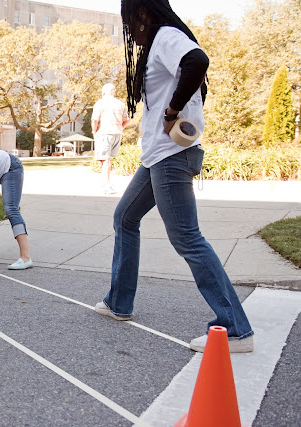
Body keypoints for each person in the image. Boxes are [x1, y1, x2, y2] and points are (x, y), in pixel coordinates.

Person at [95, 0, 254, 353]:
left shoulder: (166, 36)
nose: (129, 31)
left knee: (187, 238)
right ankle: (119, 303)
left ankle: (236, 329)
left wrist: (171, 111)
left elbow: (197, 61)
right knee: (125, 217)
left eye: (130, 21)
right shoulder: (157, 44)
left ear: (143, 13)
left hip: (171, 157)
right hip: (156, 157)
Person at [91, 83, 131, 194]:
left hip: (104, 133)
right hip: (117, 134)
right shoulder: (120, 104)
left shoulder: (100, 103)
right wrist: (120, 127)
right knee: (107, 160)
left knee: (105, 160)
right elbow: (128, 119)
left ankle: (107, 185)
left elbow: (95, 120)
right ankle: (107, 183)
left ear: (103, 92)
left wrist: (94, 131)